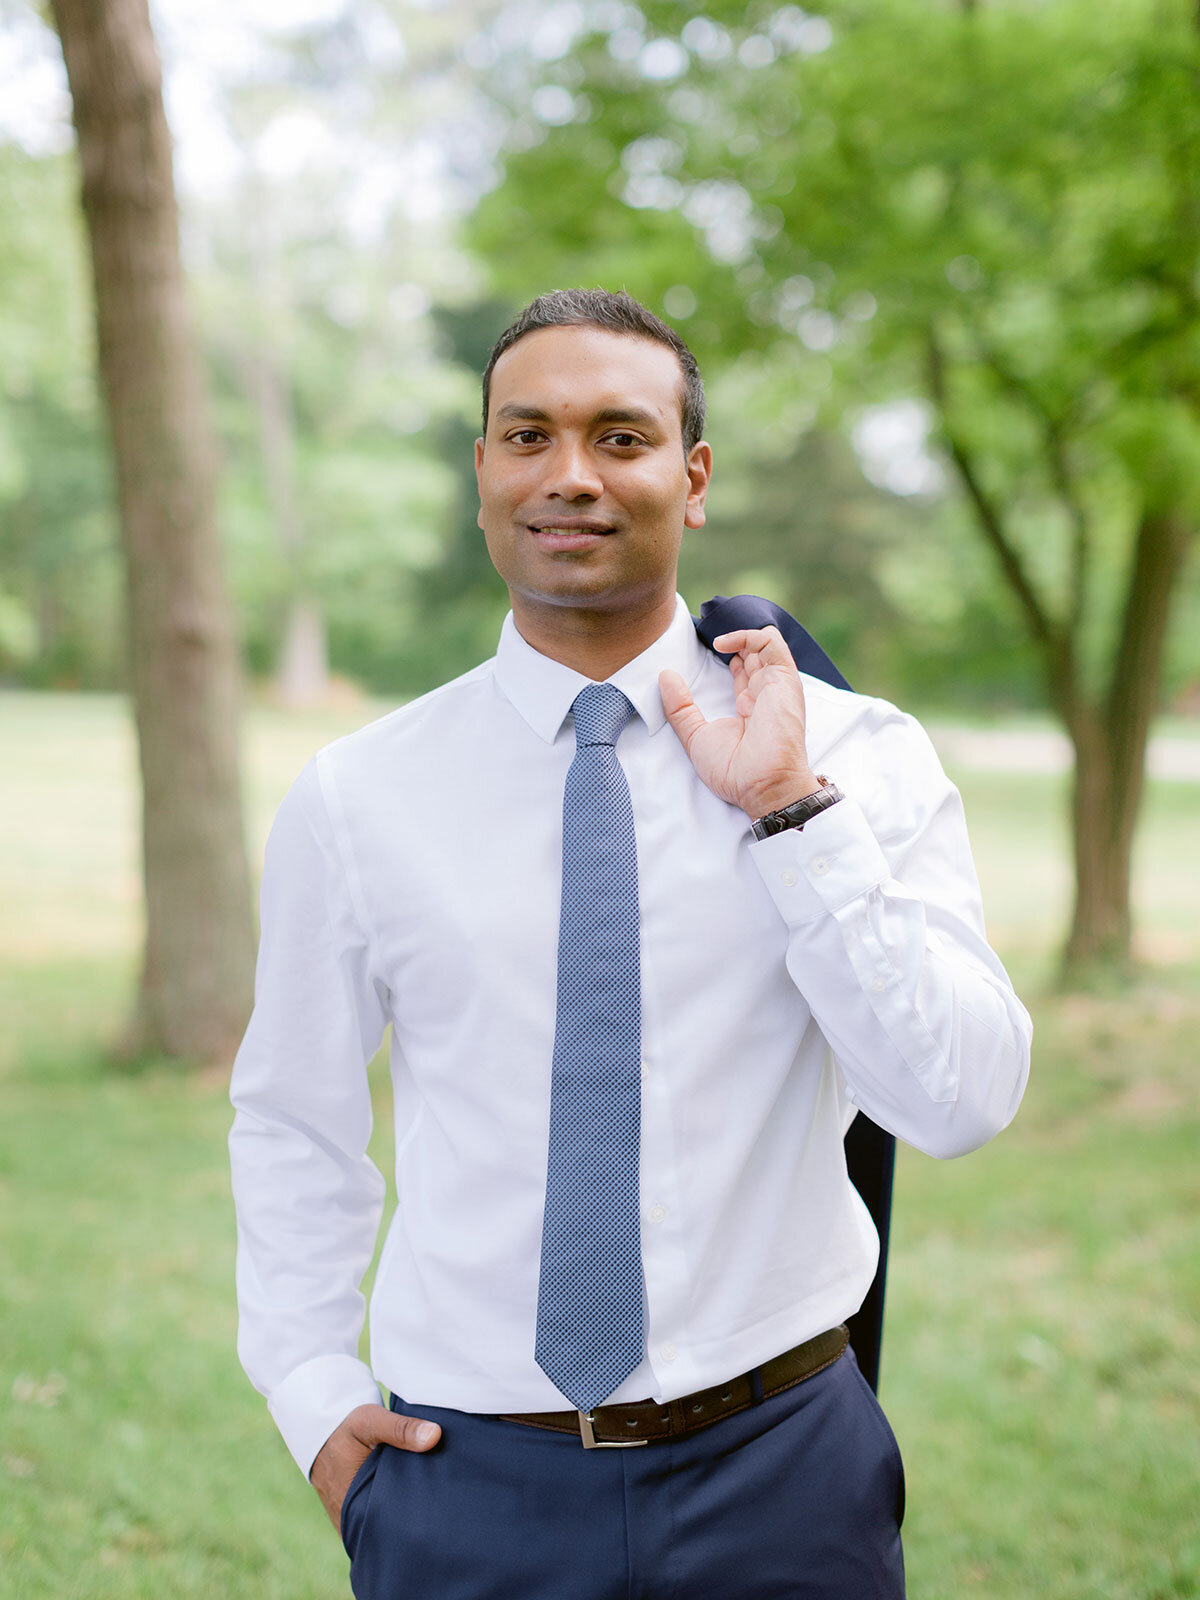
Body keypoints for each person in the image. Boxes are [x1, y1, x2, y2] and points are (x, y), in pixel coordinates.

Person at [229, 287, 1031, 1599]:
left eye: (621, 436)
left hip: (785, 1475)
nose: (571, 477)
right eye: (529, 436)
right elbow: (292, 1123)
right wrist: (313, 1398)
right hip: (467, 1482)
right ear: (482, 470)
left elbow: (961, 1101)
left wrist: (789, 812)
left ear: (693, 476)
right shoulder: (357, 796)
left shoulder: (855, 755)